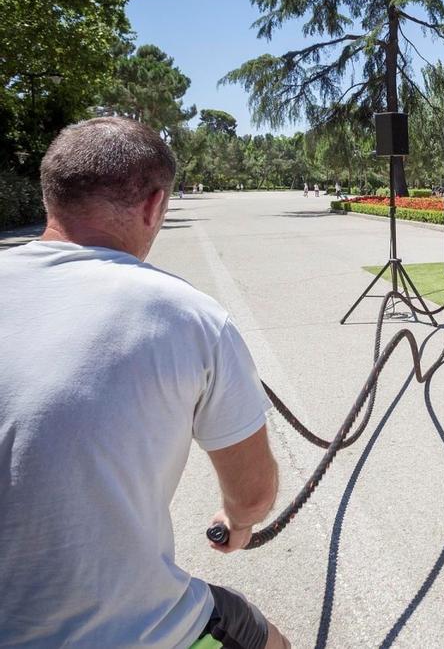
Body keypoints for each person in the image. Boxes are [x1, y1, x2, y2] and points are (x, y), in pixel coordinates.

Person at [0, 117, 290, 648]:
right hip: (127, 632)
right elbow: (251, 495)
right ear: (154, 205)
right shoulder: (189, 317)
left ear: (51, 198)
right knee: (269, 640)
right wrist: (238, 522)